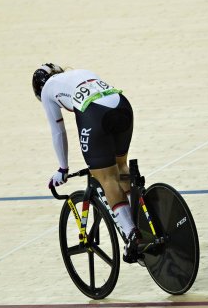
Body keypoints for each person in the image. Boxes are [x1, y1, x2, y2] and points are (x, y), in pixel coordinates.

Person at [32, 63, 141, 263]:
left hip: (95, 114)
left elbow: (58, 131)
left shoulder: (47, 89)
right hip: (122, 105)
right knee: (121, 167)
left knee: (106, 177)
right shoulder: (78, 73)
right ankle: (141, 220)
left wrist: (63, 168)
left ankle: (132, 233)